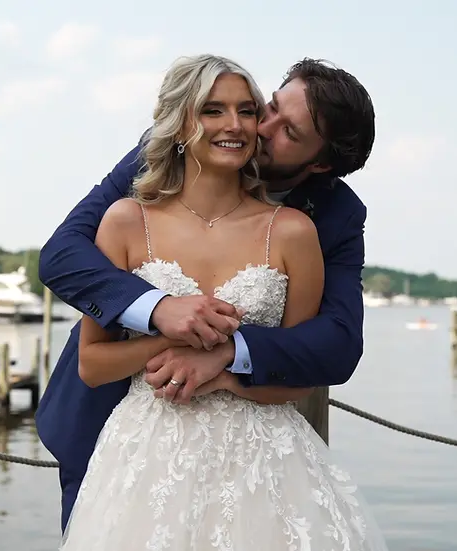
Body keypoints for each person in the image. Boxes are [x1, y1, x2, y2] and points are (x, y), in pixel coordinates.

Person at [54, 53, 387, 550]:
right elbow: (62, 255)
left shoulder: (321, 220)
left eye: (288, 131)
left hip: (259, 454)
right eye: (269, 106)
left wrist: (227, 353)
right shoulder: (154, 171)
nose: (256, 126)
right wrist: (159, 310)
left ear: (318, 164)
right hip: (123, 431)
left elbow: (335, 343)